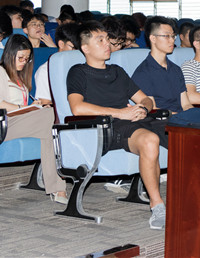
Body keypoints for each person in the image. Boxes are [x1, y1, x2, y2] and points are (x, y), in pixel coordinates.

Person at [67, 21, 168, 229]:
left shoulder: (117, 71)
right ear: (85, 48)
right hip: (106, 127)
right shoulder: (78, 72)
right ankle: (157, 205)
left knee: (186, 134)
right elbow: (77, 107)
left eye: (107, 39)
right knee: (150, 140)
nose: (107, 44)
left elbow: (146, 99)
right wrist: (121, 113)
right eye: (100, 40)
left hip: (134, 121)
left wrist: (143, 109)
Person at [0, 34, 67, 203]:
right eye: (20, 58)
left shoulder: (19, 77)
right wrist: (25, 108)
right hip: (1, 123)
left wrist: (34, 106)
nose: (23, 62)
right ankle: (58, 186)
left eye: (27, 59)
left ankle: (58, 188)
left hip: (19, 121)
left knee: (50, 131)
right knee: (51, 116)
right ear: (10, 54)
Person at [131, 16, 192, 113]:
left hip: (181, 118)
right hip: (162, 119)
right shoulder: (142, 73)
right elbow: (153, 109)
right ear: (153, 38)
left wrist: (194, 115)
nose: (172, 40)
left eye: (173, 36)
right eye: (167, 36)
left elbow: (185, 104)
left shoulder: (176, 69)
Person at [33, 23, 79, 106]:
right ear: (61, 44)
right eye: (73, 48)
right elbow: (46, 103)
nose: (77, 52)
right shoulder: (46, 70)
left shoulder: (84, 65)